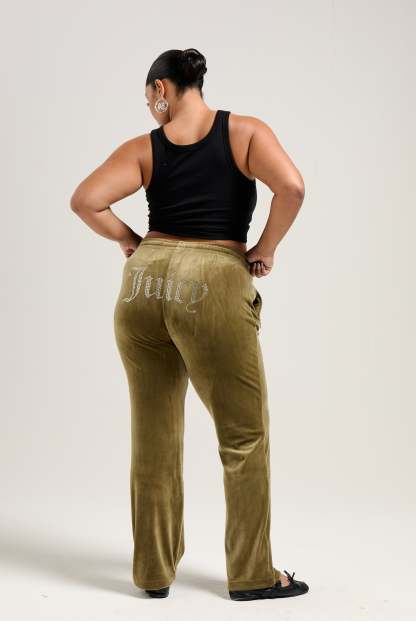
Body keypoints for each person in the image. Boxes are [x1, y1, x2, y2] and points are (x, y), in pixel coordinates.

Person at [70, 47, 308, 602]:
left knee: (153, 436)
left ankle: (153, 573)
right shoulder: (245, 133)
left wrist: (131, 241)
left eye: (148, 97)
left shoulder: (145, 148)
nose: (150, 108)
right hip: (212, 279)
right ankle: (251, 574)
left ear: (162, 88)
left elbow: (85, 200)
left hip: (142, 286)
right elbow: (292, 187)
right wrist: (264, 248)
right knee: (243, 436)